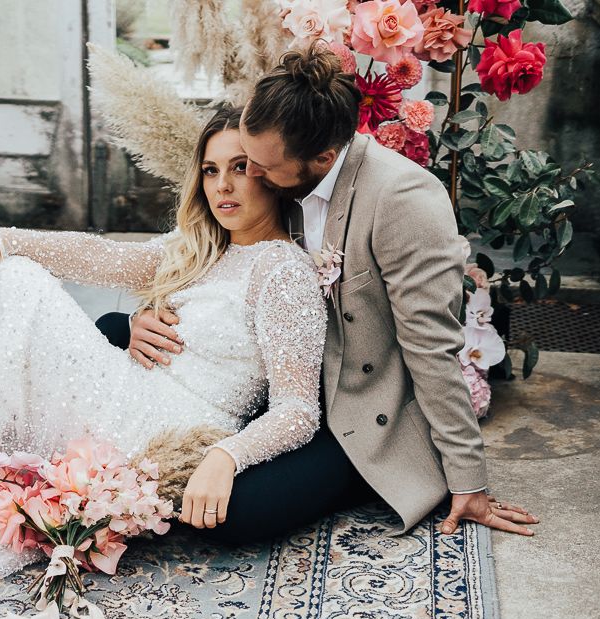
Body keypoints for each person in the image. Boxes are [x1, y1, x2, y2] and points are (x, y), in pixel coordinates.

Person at [0, 106, 328, 619]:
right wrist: (1, 238)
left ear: (272, 174)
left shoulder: (283, 273)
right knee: (9, 281)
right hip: (130, 389)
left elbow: (299, 410)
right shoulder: (201, 250)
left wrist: (224, 456)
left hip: (164, 426)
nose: (223, 186)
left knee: (17, 287)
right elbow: (101, 256)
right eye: (209, 170)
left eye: (240, 168)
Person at [98, 44, 539, 544]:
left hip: (352, 405)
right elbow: (209, 263)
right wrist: (148, 315)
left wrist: (469, 478)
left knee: (236, 514)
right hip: (271, 376)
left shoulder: (404, 200)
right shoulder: (281, 163)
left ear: (324, 158)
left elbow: (431, 346)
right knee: (111, 331)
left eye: (261, 167)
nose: (251, 178)